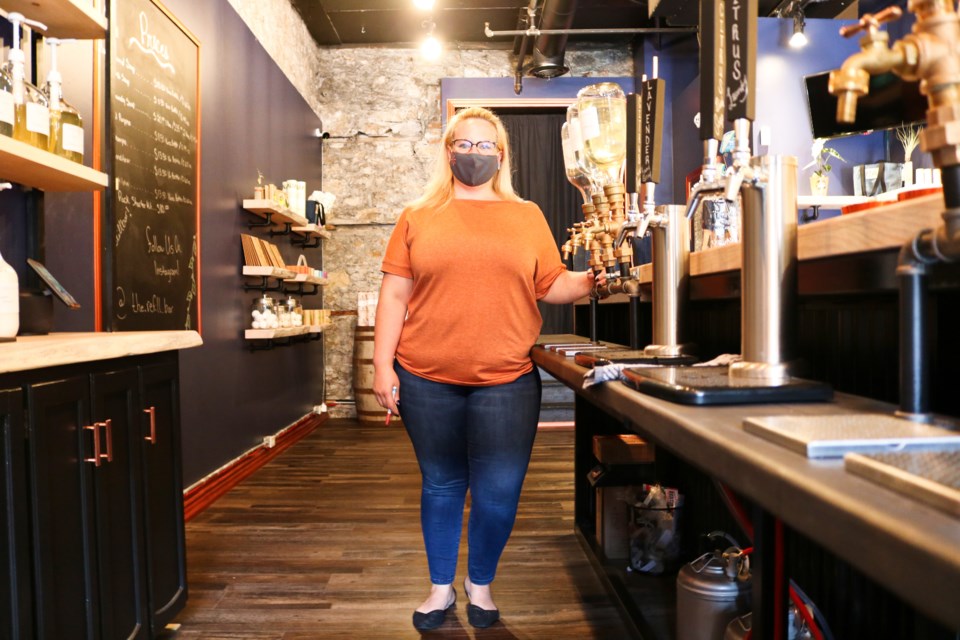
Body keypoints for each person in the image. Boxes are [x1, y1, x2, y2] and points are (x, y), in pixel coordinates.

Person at [372, 106, 604, 631]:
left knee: (498, 492)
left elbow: (553, 284)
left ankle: (481, 585)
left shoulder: (527, 216)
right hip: (424, 375)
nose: (473, 154)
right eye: (464, 144)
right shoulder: (418, 214)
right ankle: (438, 590)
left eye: (484, 146)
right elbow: (394, 293)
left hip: (507, 378)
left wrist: (593, 281)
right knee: (442, 484)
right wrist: (381, 363)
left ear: (502, 156)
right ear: (448, 150)